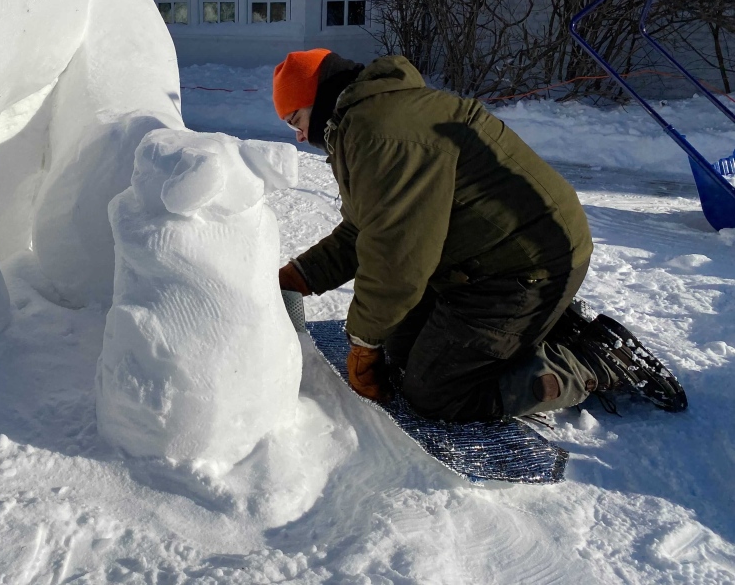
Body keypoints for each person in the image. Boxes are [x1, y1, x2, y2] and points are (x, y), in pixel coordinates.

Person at [275, 49, 686, 421]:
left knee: (435, 391)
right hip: (483, 260)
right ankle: (549, 326)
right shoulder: (372, 118)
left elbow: (397, 256)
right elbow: (369, 227)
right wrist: (301, 276)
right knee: (400, 353)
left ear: (320, 96)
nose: (298, 135)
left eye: (296, 119)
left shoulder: (380, 133)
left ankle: (592, 364)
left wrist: (364, 342)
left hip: (525, 267)